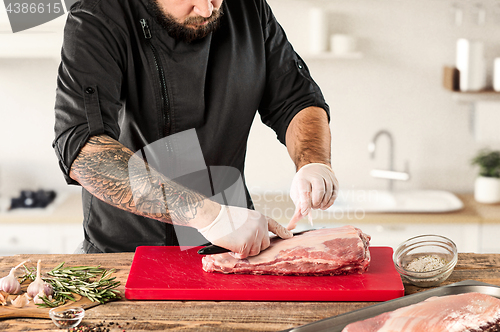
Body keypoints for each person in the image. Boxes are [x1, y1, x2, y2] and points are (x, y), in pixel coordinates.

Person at [53, 0, 339, 256]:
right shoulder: (98, 16)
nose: (207, 9)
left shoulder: (250, 8)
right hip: (126, 252)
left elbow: (297, 99)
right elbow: (84, 151)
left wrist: (313, 161)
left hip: (231, 248)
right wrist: (207, 216)